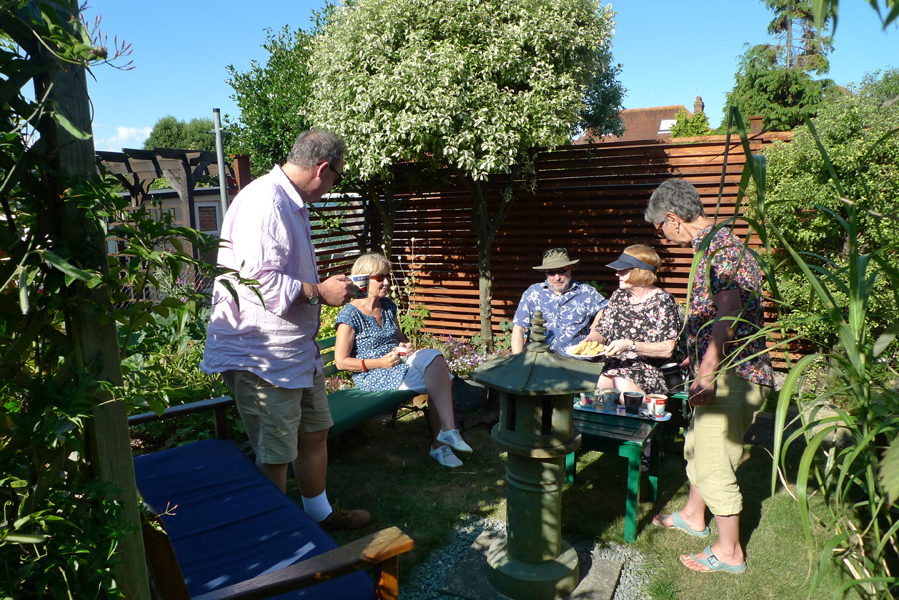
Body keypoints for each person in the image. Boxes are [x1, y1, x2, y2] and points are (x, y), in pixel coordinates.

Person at [200, 130, 371, 532]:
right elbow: (258, 281)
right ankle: (278, 543)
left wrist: (324, 288)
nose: (333, 188)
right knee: (275, 453)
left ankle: (319, 516)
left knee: (314, 433)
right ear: (322, 168)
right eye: (337, 179)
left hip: (293, 351)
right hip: (262, 356)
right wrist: (319, 291)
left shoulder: (290, 202)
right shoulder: (266, 201)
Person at [646, 179, 774, 574]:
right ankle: (693, 515)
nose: (662, 237)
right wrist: (695, 353)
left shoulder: (720, 249)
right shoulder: (718, 244)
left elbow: (730, 312)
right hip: (726, 369)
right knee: (698, 448)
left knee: (716, 462)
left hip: (733, 374)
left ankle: (729, 551)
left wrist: (707, 370)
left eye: (659, 229)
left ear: (673, 218)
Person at [334, 253, 473, 468]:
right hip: (374, 376)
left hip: (397, 366)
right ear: (362, 279)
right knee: (439, 379)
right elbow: (341, 362)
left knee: (435, 357)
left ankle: (447, 432)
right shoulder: (350, 315)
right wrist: (379, 363)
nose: (387, 282)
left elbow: (398, 336)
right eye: (380, 278)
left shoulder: (388, 305)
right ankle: (441, 444)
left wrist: (405, 345)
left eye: (387, 276)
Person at [588, 245, 680, 397]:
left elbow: (667, 348)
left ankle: (640, 420)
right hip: (615, 363)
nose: (617, 274)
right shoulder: (618, 296)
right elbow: (601, 331)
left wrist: (630, 345)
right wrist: (590, 341)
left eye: (624, 270)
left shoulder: (663, 301)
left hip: (650, 367)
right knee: (602, 380)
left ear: (643, 273)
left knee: (621, 381)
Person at [511, 248, 608, 355]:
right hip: (541, 360)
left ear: (570, 268)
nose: (557, 277)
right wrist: (517, 361)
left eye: (562, 271)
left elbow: (608, 309)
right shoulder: (533, 293)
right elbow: (519, 328)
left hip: (577, 361)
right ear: (545, 273)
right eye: (551, 272)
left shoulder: (586, 292)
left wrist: (596, 328)